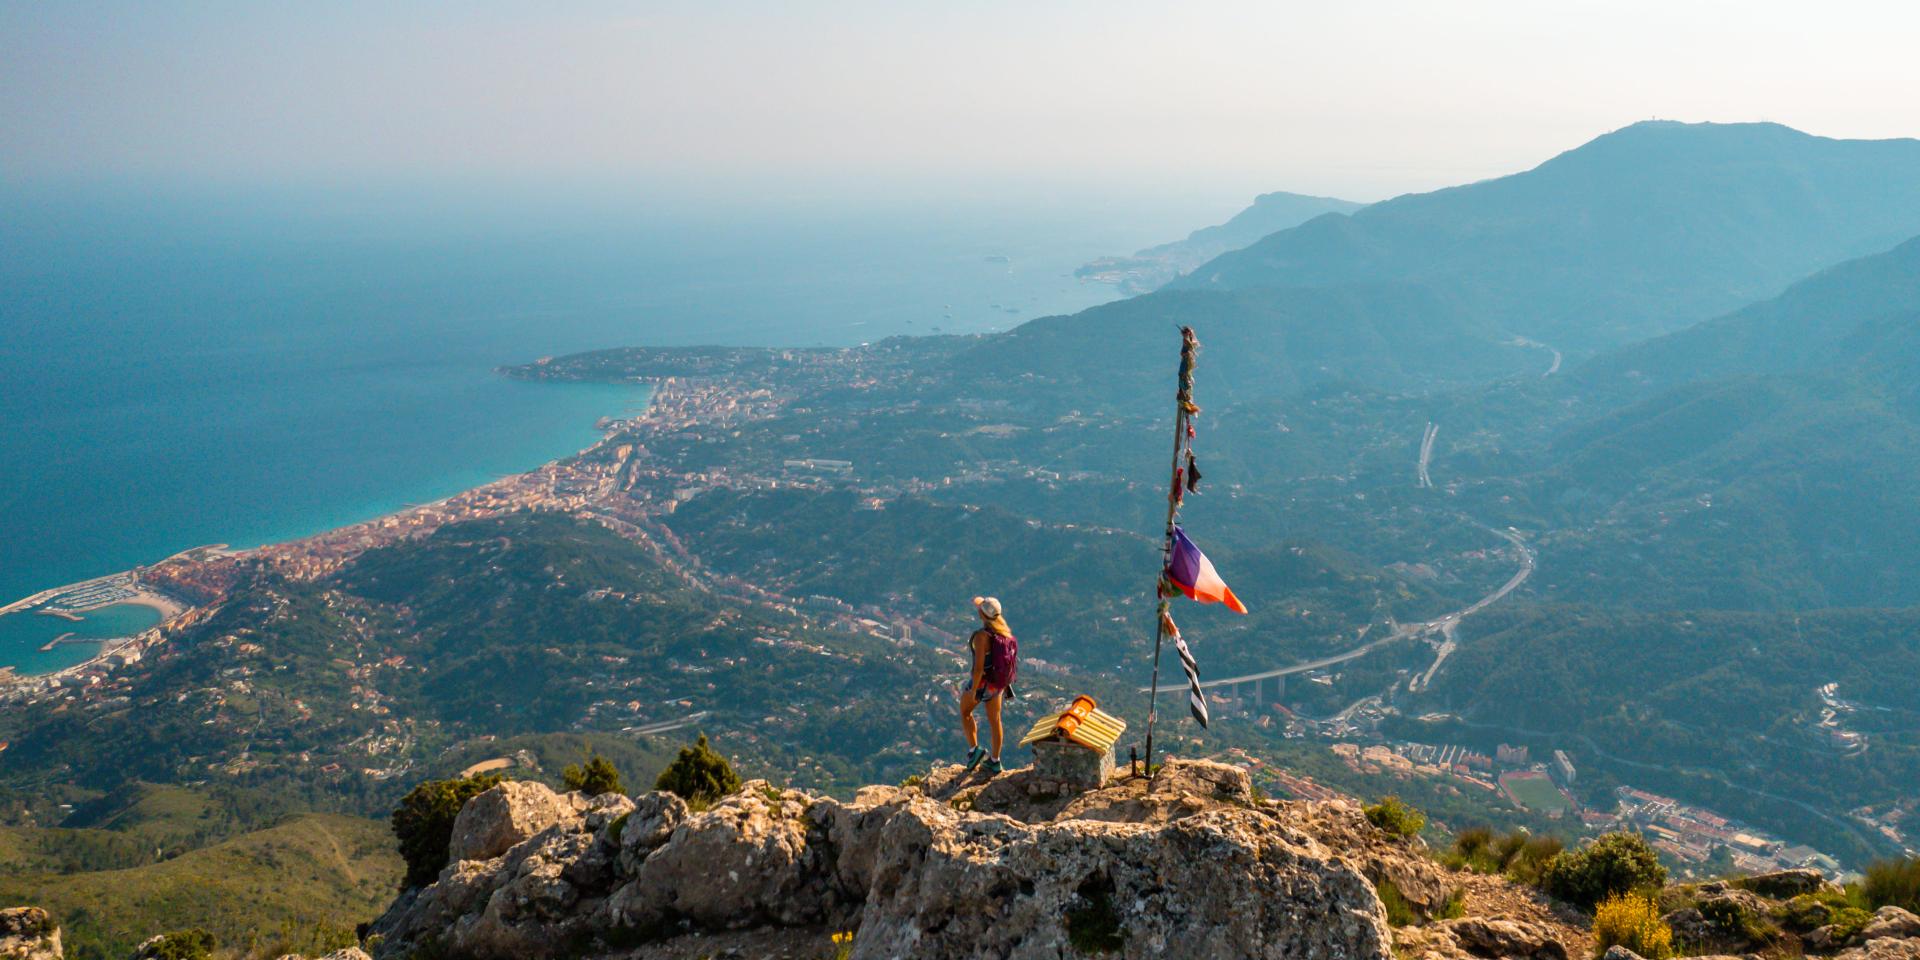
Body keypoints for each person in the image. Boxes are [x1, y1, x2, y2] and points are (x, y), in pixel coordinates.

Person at [959, 595, 1018, 775]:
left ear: (982, 614)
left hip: (983, 683)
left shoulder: (981, 637)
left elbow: (978, 669)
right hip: (998, 685)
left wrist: (974, 690)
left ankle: (974, 750)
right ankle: (995, 760)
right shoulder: (1005, 633)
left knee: (965, 712)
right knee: (995, 720)